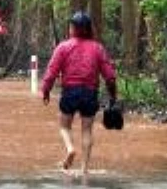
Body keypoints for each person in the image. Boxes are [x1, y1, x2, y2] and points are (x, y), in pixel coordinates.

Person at [41, 11, 118, 175]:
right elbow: (110, 76)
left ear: (72, 28)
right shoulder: (98, 48)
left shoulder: (63, 47)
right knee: (87, 130)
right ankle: (84, 169)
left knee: (64, 126)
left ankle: (70, 149)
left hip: (70, 92)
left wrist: (46, 91)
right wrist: (113, 95)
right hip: (90, 93)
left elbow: (51, 72)